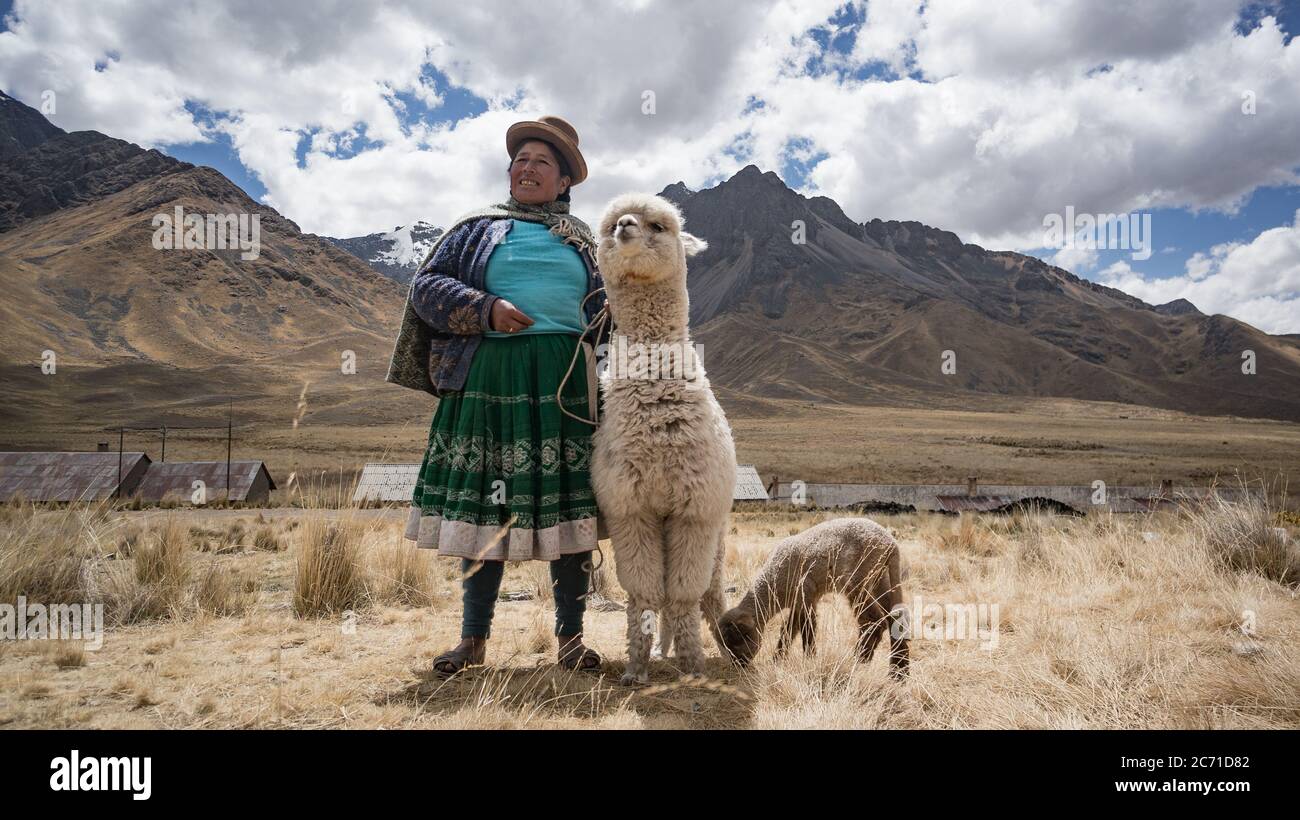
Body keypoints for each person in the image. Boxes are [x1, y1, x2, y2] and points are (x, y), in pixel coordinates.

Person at [386, 115, 611, 676]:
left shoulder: (587, 242)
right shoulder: (475, 228)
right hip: (490, 376)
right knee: (492, 506)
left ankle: (571, 640)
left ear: (564, 183)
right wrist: (485, 309)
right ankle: (472, 641)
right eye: (520, 159)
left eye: (541, 162)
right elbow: (427, 288)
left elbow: (613, 313)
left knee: (570, 507)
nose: (526, 168)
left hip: (567, 384)